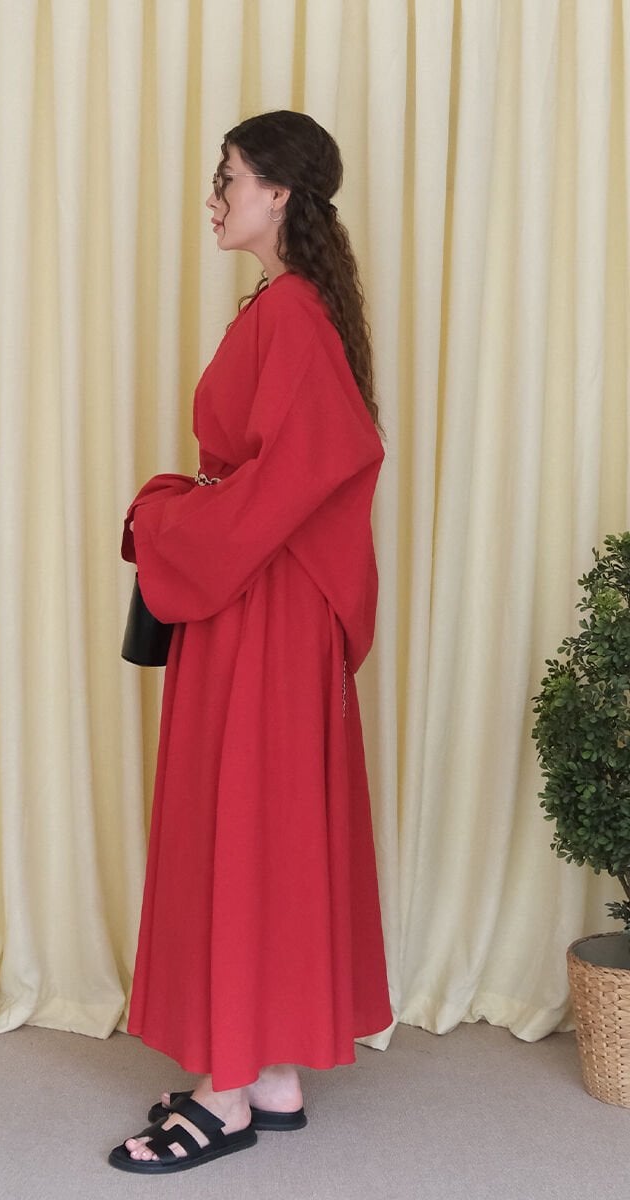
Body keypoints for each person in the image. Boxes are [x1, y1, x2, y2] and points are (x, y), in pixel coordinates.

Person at [109, 110, 391, 1175]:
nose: (214, 194)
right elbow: (289, 466)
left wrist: (172, 521)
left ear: (278, 192)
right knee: (263, 827)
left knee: (240, 826)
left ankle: (221, 1098)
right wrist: (195, 510)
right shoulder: (289, 305)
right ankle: (269, 1078)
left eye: (227, 176)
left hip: (262, 608)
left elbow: (318, 462)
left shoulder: (293, 313)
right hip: (261, 602)